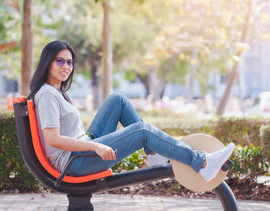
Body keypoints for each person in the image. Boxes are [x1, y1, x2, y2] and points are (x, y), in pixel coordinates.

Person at [28, 40, 235, 182]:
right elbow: (53, 139)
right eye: (60, 61)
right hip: (75, 162)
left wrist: (91, 144)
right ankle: (203, 163)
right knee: (142, 131)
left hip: (82, 150)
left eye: (70, 62)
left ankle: (154, 154)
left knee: (118, 100)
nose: (66, 66)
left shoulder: (55, 92)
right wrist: (95, 147)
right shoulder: (47, 95)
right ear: (47, 63)